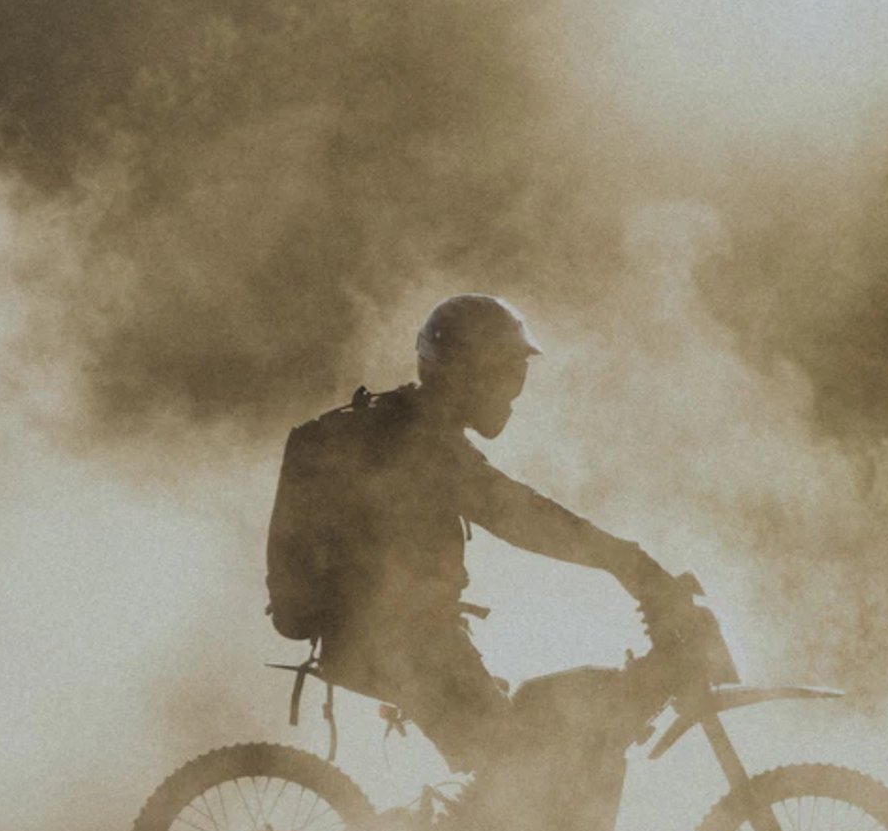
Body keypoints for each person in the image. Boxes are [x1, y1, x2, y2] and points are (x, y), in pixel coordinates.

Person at [268, 293, 679, 785]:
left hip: (404, 637)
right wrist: (626, 561)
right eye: (503, 375)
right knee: (518, 775)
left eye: (517, 376)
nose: (511, 393)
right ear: (463, 373)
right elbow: (517, 514)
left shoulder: (416, 426)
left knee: (522, 748)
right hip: (401, 643)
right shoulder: (419, 441)